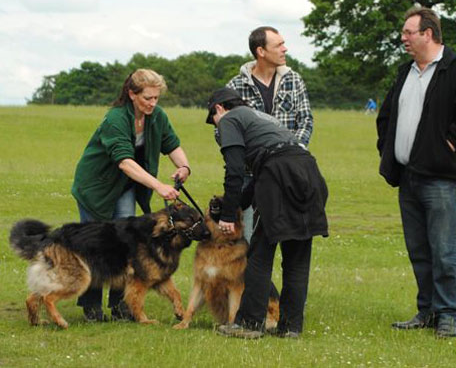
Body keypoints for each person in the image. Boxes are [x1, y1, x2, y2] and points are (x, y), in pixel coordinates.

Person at [376, 7, 456, 338]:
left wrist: (448, 144)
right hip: (408, 176)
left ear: (428, 33)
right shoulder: (406, 72)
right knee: (419, 249)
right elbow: (387, 115)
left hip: (442, 179)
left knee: (444, 249)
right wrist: (387, 147)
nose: (403, 38)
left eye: (409, 32)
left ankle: (449, 313)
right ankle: (427, 309)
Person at [206, 87, 328, 339]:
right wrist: (236, 205)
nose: (216, 128)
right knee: (297, 257)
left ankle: (250, 324)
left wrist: (228, 216)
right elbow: (257, 176)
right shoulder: (262, 119)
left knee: (259, 253)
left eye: (213, 121)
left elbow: (236, 171)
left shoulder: (229, 119)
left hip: (279, 175)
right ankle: (291, 327)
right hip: (309, 173)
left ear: (218, 109)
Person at [71, 69, 191, 322]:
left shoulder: (156, 116)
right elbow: (124, 162)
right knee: (96, 244)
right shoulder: (116, 118)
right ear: (132, 94)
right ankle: (91, 307)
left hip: (125, 186)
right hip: (97, 188)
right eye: (147, 98)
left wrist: (184, 166)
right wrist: (158, 186)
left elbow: (172, 144)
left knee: (126, 243)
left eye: (156, 98)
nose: (153, 103)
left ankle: (121, 306)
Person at [227, 25, 313, 242]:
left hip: (287, 173)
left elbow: (305, 120)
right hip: (249, 174)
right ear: (261, 51)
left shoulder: (294, 80)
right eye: (279, 45)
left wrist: (293, 154)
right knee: (246, 240)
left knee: (290, 237)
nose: (285, 49)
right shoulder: (235, 87)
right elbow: (225, 132)